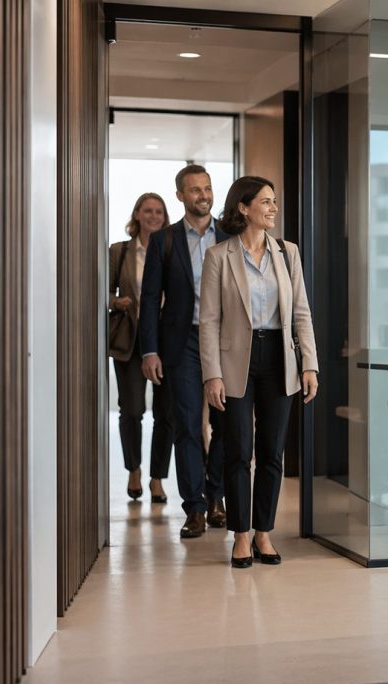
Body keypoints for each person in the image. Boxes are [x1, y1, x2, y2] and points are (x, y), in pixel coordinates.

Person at [199, 176, 318, 568]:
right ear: (244, 208)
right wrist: (211, 375)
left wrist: (309, 365)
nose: (273, 208)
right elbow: (210, 321)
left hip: (279, 358)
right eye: (266, 202)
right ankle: (241, 535)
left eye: (274, 202)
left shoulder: (288, 253)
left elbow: (301, 311)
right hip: (236, 361)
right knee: (238, 451)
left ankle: (264, 533)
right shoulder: (219, 256)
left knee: (272, 452)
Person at [139, 164, 229, 539]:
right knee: (188, 425)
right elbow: (149, 298)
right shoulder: (166, 240)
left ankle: (216, 499)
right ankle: (194, 507)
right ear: (180, 195)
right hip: (182, 343)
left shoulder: (230, 235)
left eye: (207, 188)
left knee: (225, 425)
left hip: (225, 341)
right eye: (194, 190)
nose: (203, 195)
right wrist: (150, 351)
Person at [110, 193, 174, 504]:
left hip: (168, 342)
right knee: (132, 410)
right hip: (131, 343)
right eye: (147, 210)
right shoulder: (119, 252)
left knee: (166, 414)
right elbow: (102, 292)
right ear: (137, 214)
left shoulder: (172, 248)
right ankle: (134, 469)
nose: (153, 216)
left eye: (159, 211)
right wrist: (116, 302)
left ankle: (157, 479)